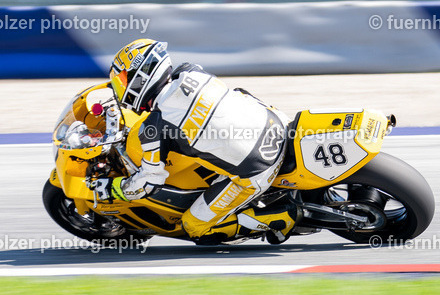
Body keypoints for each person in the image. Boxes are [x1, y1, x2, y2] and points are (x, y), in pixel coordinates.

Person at [91, 38, 298, 244]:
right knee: (236, 94)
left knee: (194, 226)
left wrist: (113, 188)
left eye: (123, 81)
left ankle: (282, 218)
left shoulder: (154, 127)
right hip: (276, 122)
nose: (121, 89)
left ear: (141, 77)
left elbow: (147, 184)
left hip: (259, 168)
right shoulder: (190, 71)